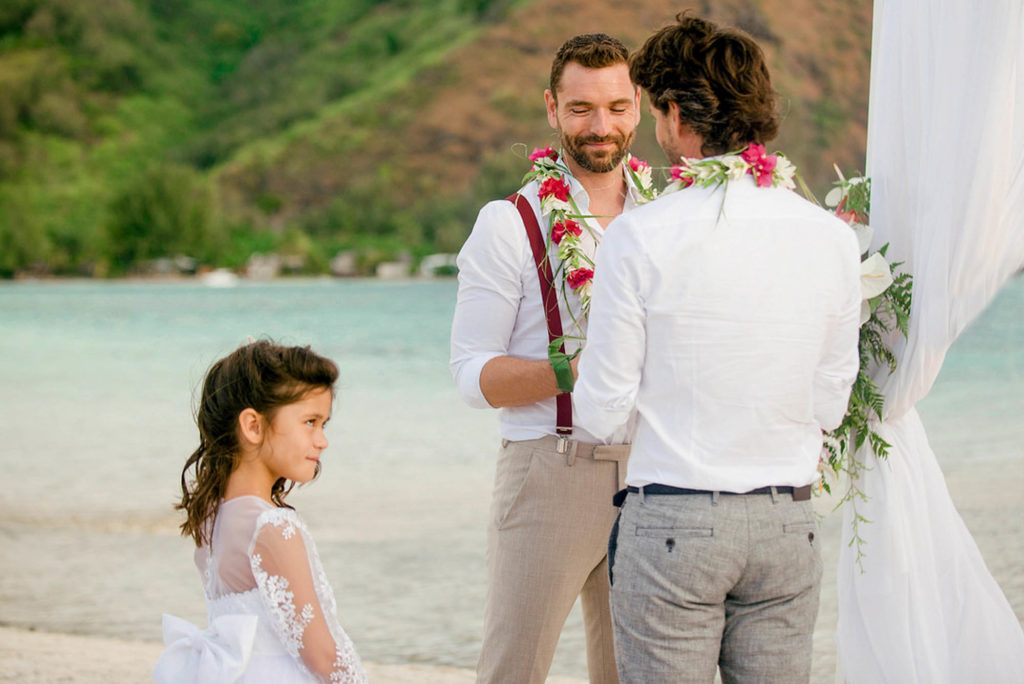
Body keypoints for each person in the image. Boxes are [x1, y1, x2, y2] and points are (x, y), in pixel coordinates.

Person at [572, 13, 862, 684]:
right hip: (785, 521)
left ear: (674, 114)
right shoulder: (830, 238)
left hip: (676, 518)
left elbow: (602, 413)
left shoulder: (642, 236)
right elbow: (830, 398)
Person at [450, 33, 645, 684]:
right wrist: (570, 371)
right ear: (551, 108)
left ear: (639, 106)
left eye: (616, 107)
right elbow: (471, 374)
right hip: (550, 470)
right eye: (582, 107)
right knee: (514, 671)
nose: (601, 125)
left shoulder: (667, 217)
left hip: (654, 477)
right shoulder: (509, 224)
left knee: (637, 675)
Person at [153, 340, 367, 684]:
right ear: (252, 426)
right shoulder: (272, 526)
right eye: (310, 422)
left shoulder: (211, 518)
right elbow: (321, 655)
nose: (322, 440)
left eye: (323, 424)